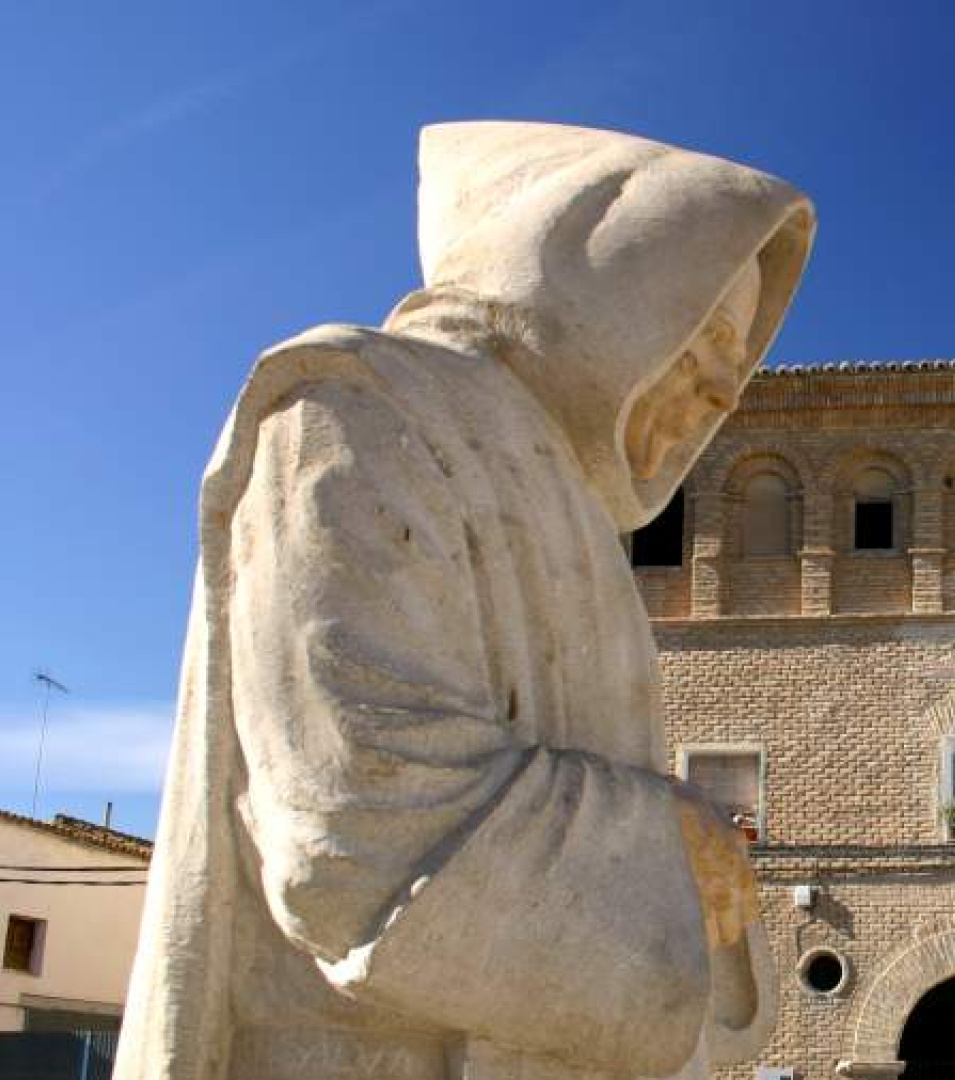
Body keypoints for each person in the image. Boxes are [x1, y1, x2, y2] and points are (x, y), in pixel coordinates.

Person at [114, 122, 815, 1080]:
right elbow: (352, 822)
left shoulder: (575, 522)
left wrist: (685, 875)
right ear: (601, 287)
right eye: (701, 347)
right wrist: (667, 842)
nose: (715, 399)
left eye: (731, 381)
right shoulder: (354, 407)